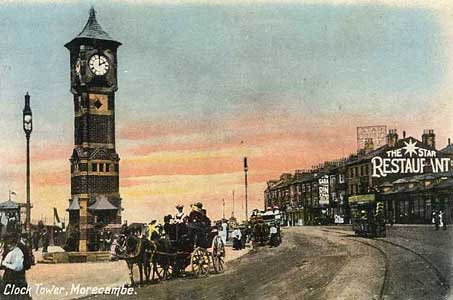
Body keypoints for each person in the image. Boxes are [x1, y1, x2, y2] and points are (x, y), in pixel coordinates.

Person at [0, 233, 31, 299]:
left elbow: (16, 265)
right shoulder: (21, 246)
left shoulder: (13, 247)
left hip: (11, 273)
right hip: (18, 273)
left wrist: (4, 263)